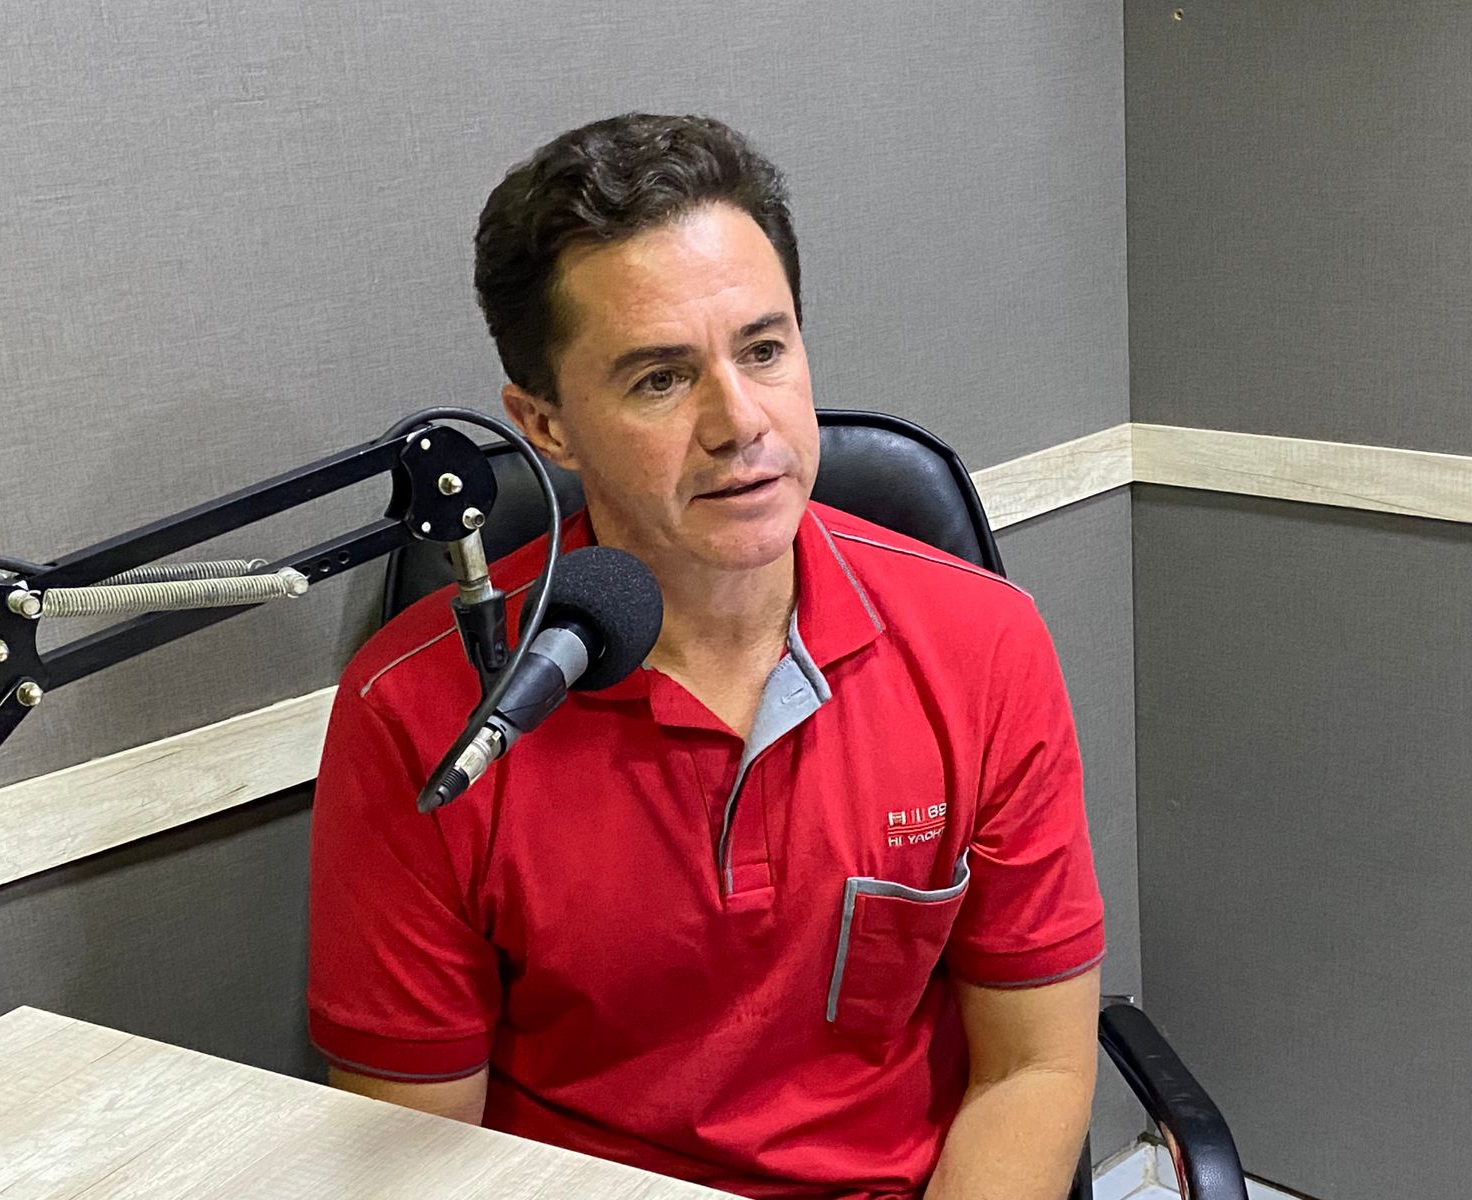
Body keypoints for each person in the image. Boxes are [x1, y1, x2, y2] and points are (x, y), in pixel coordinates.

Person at [307, 113, 1105, 1200]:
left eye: (764, 351)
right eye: (660, 380)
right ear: (546, 424)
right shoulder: (422, 712)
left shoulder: (981, 642)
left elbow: (1032, 1068)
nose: (741, 423)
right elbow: (418, 1157)